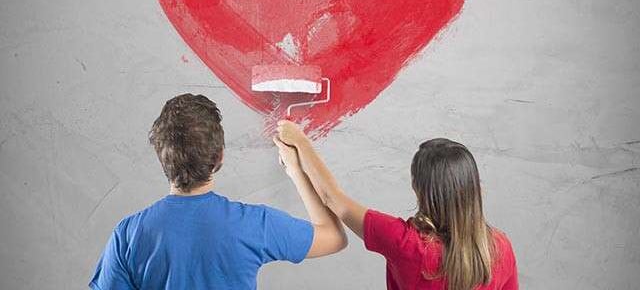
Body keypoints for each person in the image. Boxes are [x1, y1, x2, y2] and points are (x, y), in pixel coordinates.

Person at [89, 94, 347, 290]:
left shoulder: (128, 234)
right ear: (219, 157)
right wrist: (296, 170)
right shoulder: (254, 224)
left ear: (161, 157)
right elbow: (334, 237)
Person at [274, 121, 518, 290]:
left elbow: (333, 200)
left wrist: (300, 142)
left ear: (417, 189)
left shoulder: (406, 243)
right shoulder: (501, 248)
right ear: (474, 188)